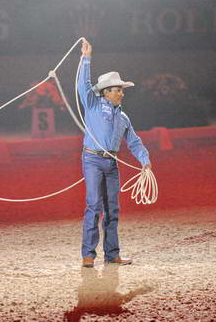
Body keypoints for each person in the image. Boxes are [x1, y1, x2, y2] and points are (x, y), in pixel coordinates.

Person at [78, 39, 152, 268]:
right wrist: (86, 58)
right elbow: (83, 85)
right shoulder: (92, 105)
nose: (121, 93)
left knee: (112, 208)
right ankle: (88, 254)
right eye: (118, 90)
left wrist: (145, 161)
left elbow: (134, 142)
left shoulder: (123, 117)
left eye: (121, 89)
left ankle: (112, 254)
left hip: (111, 164)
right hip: (92, 159)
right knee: (94, 205)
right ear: (107, 92)